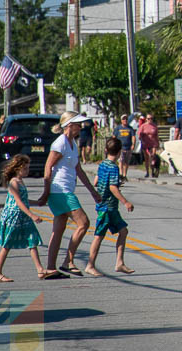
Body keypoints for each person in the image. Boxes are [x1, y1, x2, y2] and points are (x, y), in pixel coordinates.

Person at [37, 111, 102, 279]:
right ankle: (68, 261)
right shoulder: (60, 143)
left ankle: (50, 268)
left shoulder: (72, 142)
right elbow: (48, 167)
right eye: (78, 124)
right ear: (69, 126)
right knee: (84, 222)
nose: (81, 127)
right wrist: (46, 191)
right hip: (60, 191)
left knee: (58, 230)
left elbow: (78, 170)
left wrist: (93, 191)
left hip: (65, 190)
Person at [0, 154, 47, 282]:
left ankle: (40, 269)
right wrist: (32, 215)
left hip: (23, 216)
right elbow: (19, 202)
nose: (28, 171)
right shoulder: (14, 182)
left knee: (32, 240)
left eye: (28, 168)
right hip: (14, 217)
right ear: (17, 169)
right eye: (25, 168)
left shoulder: (21, 181)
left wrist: (37, 202)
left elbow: (25, 200)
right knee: (7, 244)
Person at [85, 138, 135, 276]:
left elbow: (96, 181)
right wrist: (125, 202)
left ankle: (120, 263)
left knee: (123, 231)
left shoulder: (102, 164)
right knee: (99, 236)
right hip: (107, 208)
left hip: (110, 207)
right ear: (119, 152)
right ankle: (90, 265)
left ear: (106, 150)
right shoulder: (113, 167)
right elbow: (113, 187)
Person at [137, 113, 161, 177]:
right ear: (146, 119)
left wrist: (158, 143)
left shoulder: (154, 126)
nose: (150, 120)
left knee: (153, 157)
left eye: (151, 118)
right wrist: (141, 138)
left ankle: (153, 171)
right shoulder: (143, 126)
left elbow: (156, 136)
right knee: (147, 158)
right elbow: (139, 135)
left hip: (153, 144)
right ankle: (147, 172)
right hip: (145, 144)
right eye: (148, 118)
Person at [113, 114, 134, 180]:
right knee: (121, 161)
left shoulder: (130, 128)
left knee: (126, 162)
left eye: (126, 119)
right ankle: (121, 174)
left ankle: (125, 175)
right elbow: (114, 137)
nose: (125, 120)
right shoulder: (118, 128)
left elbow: (133, 137)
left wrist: (133, 144)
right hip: (120, 147)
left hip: (128, 147)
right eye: (123, 119)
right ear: (121, 120)